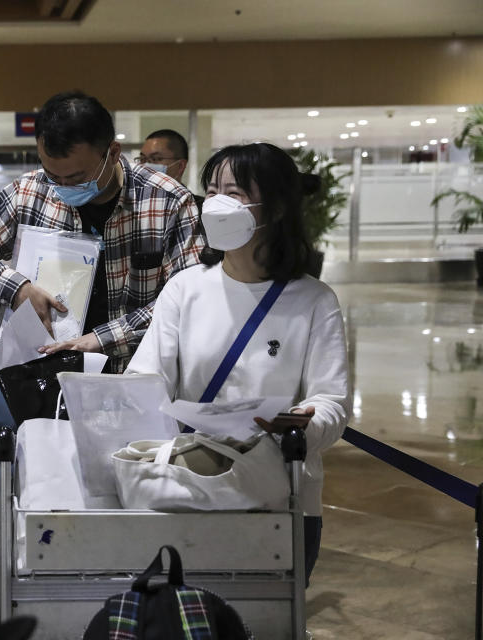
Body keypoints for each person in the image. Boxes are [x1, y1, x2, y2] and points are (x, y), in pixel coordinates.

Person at [0, 90, 204, 501]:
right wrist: (17, 287)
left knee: (122, 496)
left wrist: (101, 338)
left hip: (126, 380)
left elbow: (186, 298)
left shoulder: (167, 202)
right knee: (24, 494)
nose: (63, 187)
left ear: (113, 152)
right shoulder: (30, 192)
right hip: (35, 375)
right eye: (54, 175)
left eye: (78, 177)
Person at [126, 142, 350, 582]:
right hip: (193, 485)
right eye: (211, 191)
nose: (217, 204)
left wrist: (308, 423)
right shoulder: (184, 288)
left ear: (278, 208)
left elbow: (332, 401)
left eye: (235, 192)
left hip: (280, 495)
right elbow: (145, 379)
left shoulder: (314, 301)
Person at [136, 129, 204, 211]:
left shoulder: (199, 209)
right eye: (142, 159)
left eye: (155, 158)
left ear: (180, 166)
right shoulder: (133, 206)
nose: (145, 166)